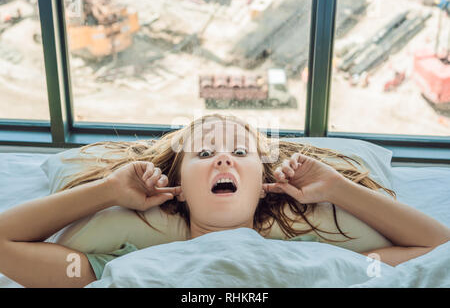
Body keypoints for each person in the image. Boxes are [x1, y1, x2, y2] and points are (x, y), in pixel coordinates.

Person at [0, 113, 449, 288]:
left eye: (239, 154)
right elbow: (5, 245)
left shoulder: (327, 258)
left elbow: (437, 251)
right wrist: (109, 191)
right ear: (175, 184)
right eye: (203, 154)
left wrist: (338, 190)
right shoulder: (111, 266)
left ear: (265, 183)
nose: (222, 161)